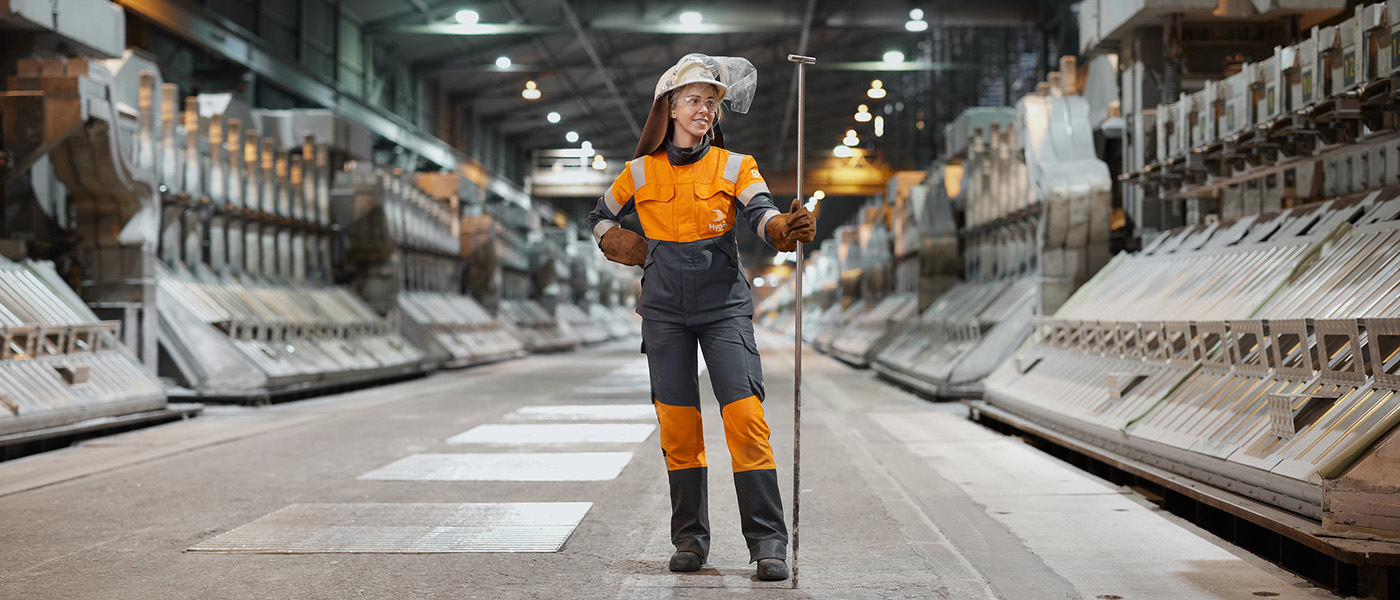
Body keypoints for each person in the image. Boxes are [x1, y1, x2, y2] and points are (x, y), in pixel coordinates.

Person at [587, 54, 815, 582]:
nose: (703, 111)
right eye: (693, 100)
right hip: (663, 311)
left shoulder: (736, 166)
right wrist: (619, 241)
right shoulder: (639, 172)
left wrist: (783, 229)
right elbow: (598, 215)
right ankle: (690, 537)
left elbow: (760, 214)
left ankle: (767, 542)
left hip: (723, 309)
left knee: (745, 418)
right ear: (669, 108)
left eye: (711, 103)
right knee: (678, 425)